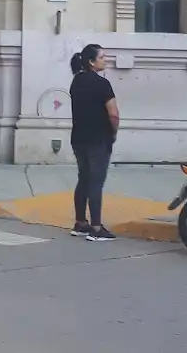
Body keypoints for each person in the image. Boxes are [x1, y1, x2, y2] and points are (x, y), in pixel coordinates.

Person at [69, 44, 118, 242]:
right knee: (96, 182)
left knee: (84, 179)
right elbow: (113, 114)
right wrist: (113, 133)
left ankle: (80, 223)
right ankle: (96, 228)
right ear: (91, 61)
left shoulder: (76, 82)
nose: (105, 60)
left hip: (79, 138)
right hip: (98, 139)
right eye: (102, 57)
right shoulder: (102, 84)